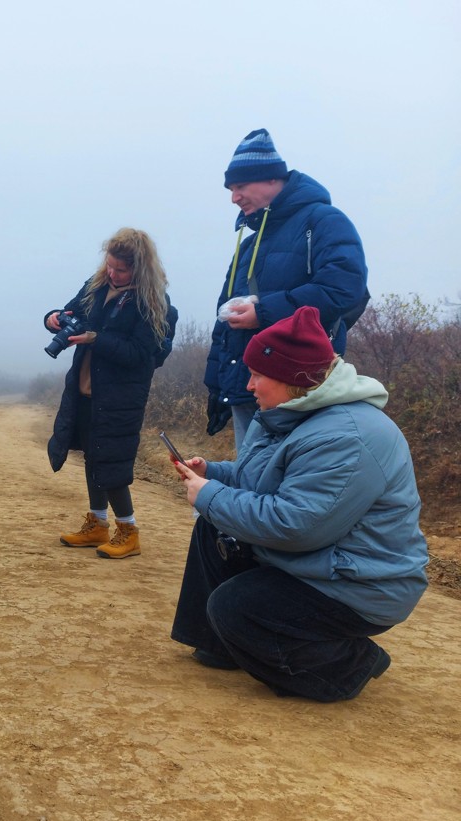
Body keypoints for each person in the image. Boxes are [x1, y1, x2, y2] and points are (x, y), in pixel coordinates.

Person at [171, 306, 427, 702]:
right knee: (215, 523)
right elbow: (262, 480)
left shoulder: (346, 435)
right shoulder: (290, 412)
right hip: (320, 563)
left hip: (360, 583)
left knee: (235, 607)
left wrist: (210, 496)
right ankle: (222, 645)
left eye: (258, 375)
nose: (249, 385)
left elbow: (295, 526)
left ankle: (351, 662)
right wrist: (214, 474)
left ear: (293, 379)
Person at [206, 128, 370, 452]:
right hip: (246, 389)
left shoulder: (323, 220)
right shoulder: (248, 243)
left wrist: (264, 312)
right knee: (250, 484)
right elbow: (223, 317)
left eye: (240, 186)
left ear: (271, 180)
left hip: (300, 389)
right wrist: (217, 386)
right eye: (230, 189)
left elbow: (344, 288)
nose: (234, 197)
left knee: (290, 488)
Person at [44, 228, 178, 559]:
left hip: (121, 397)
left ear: (139, 268)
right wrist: (53, 319)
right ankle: (97, 524)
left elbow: (140, 355)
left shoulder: (152, 302)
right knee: (92, 456)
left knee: (111, 460)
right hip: (87, 389)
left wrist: (96, 339)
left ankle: (129, 531)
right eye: (110, 266)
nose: (113, 274)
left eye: (121, 270)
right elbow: (70, 312)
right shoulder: (97, 285)